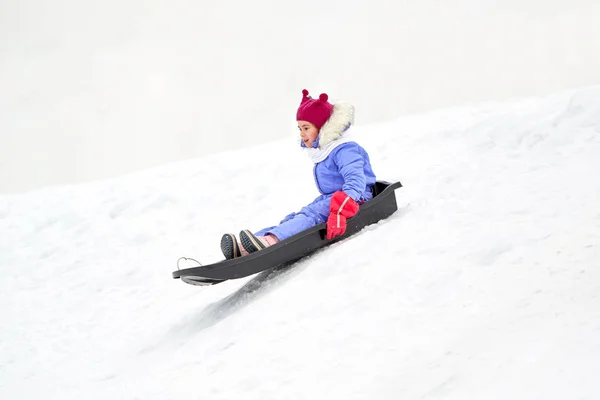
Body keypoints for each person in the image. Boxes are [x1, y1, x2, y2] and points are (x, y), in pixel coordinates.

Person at [220, 89, 377, 259]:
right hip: (334, 198)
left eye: (306, 127)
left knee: (311, 216)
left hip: (354, 198)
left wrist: (340, 211)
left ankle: (271, 241)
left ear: (323, 127)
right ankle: (253, 243)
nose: (302, 133)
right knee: (300, 215)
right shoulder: (326, 150)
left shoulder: (345, 149)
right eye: (300, 128)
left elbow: (356, 182)